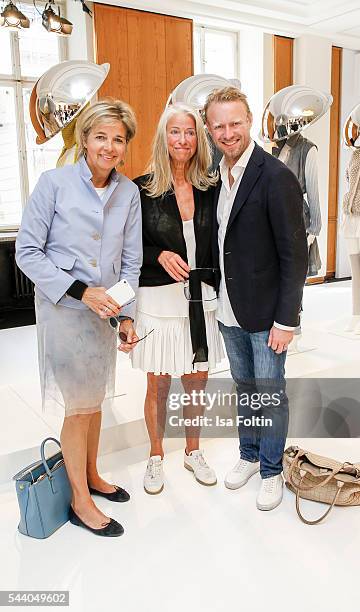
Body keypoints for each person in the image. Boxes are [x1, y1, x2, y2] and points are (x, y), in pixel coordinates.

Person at [15, 99, 142, 537]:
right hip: (65, 311)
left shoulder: (128, 192)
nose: (109, 146)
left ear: (126, 147)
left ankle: (91, 473)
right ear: (85, 139)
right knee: (79, 406)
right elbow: (27, 252)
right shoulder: (53, 184)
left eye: (118, 139)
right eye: (101, 136)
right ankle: (79, 500)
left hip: (104, 315)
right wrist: (81, 291)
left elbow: (131, 260)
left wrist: (126, 316)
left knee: (96, 399)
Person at [204, 87, 308, 511]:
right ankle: (248, 455)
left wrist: (287, 320)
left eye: (235, 123)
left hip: (267, 314)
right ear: (209, 130)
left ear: (249, 122)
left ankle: (271, 469)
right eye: (219, 126)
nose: (228, 133)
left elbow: (293, 253)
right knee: (245, 388)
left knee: (269, 391)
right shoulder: (217, 175)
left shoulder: (275, 175)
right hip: (230, 307)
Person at [131, 103, 224, 494]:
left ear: (198, 138)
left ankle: (192, 452)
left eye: (189, 132)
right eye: (175, 132)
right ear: (163, 137)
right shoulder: (141, 188)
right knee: (158, 384)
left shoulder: (211, 187)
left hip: (200, 299)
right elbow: (128, 249)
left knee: (196, 381)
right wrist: (158, 255)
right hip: (157, 301)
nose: (183, 139)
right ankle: (155, 456)